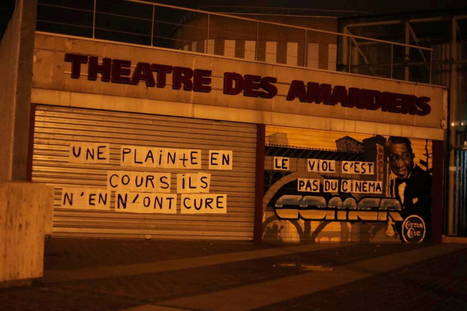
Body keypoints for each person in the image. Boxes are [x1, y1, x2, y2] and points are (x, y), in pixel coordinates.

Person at [386, 136, 432, 241]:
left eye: (405, 156)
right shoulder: (393, 183)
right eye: (394, 158)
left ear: (412, 156)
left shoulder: (426, 181)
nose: (399, 163)